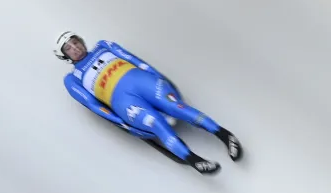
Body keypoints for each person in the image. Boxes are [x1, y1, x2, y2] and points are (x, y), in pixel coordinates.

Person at [54, 31, 241, 175]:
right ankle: (194, 160)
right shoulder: (72, 80)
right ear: (65, 56)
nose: (76, 48)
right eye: (69, 48)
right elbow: (94, 105)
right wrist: (120, 122)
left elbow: (133, 59)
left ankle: (225, 135)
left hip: (142, 81)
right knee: (156, 123)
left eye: (76, 43)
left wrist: (157, 76)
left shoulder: (103, 46)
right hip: (124, 102)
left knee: (176, 107)